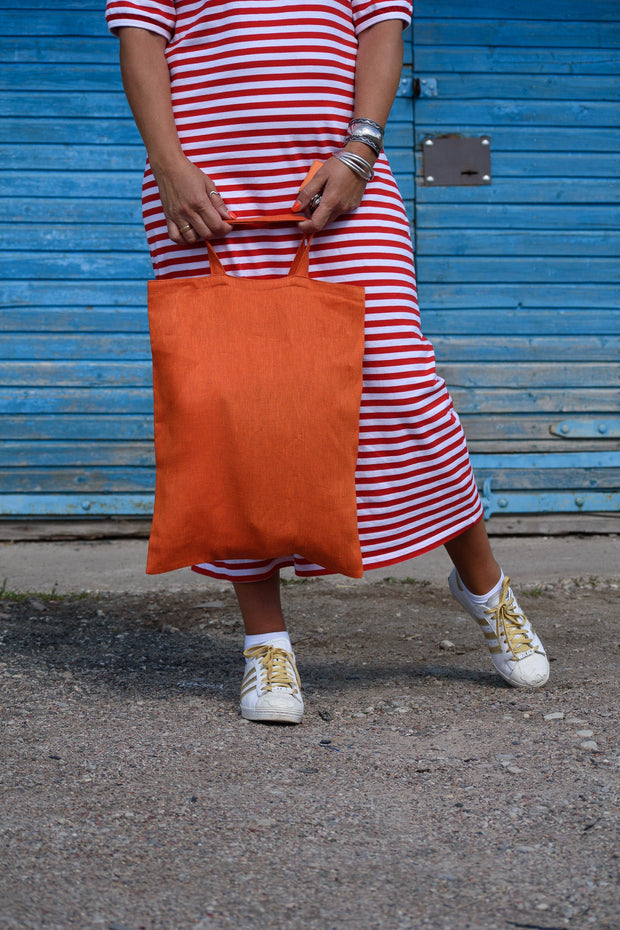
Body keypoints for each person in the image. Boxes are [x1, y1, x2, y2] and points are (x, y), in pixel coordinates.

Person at [106, 0, 549, 724]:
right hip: (203, 193)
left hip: (345, 181)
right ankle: (266, 646)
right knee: (232, 407)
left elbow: (381, 30)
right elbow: (142, 41)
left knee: (403, 384)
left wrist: (359, 151)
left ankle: (485, 587)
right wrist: (168, 164)